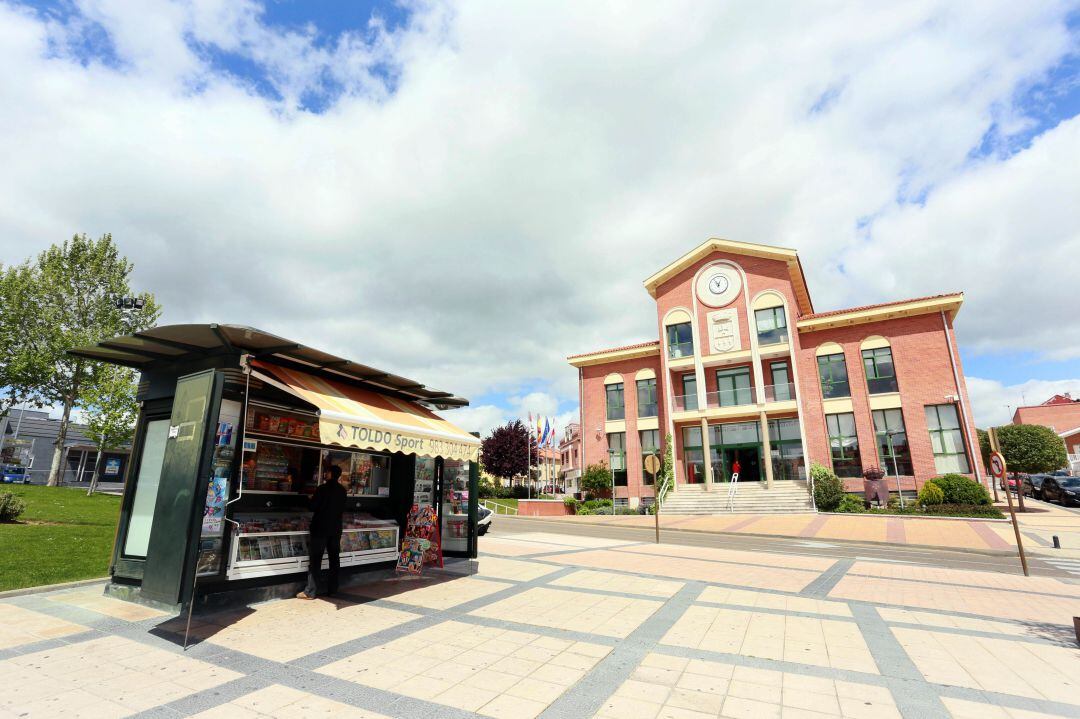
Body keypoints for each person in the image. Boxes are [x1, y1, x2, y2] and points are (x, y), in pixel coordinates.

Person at [298, 464, 347, 599]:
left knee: (315, 560)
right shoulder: (343, 490)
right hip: (336, 530)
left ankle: (310, 591)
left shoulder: (322, 489)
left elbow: (313, 507)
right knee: (334, 560)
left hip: (320, 529)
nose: (325, 474)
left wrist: (307, 499)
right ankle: (333, 589)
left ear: (331, 474)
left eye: (327, 472)